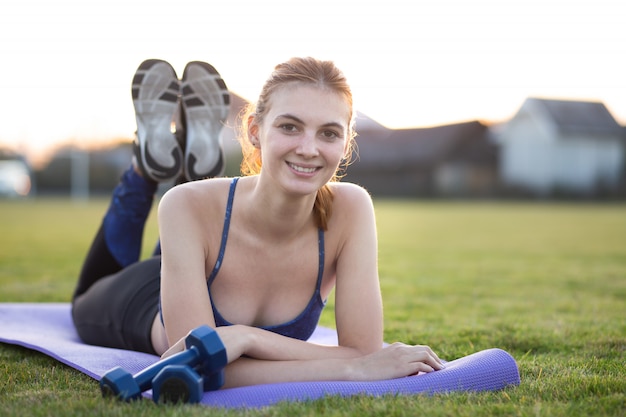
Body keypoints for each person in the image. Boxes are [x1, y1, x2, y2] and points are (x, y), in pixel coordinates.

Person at [71, 57, 444, 388]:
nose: (309, 149)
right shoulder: (182, 206)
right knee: (86, 296)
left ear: (346, 145)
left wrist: (246, 338)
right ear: (254, 130)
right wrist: (350, 369)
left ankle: (184, 156)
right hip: (142, 296)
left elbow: (363, 350)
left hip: (196, 253)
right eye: (289, 127)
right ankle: (143, 166)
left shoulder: (353, 207)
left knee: (192, 220)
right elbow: (201, 365)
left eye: (328, 133)